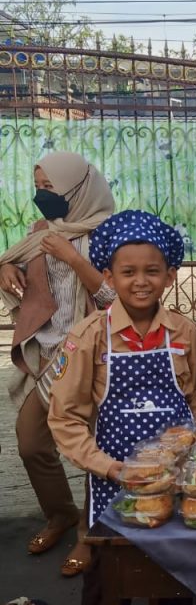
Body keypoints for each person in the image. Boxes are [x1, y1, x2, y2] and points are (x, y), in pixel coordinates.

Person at [48, 209, 196, 605]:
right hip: (114, 484)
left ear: (170, 275)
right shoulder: (89, 336)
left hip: (175, 482)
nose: (141, 282)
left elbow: (194, 400)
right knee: (106, 581)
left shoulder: (183, 331)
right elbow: (66, 418)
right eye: (128, 272)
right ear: (110, 276)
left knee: (175, 571)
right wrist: (108, 467)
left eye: (151, 271)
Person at [0, 151, 115, 576]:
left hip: (90, 361)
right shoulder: (40, 232)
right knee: (31, 443)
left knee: (90, 453)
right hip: (50, 356)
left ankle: (89, 532)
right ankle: (60, 513)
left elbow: (116, 300)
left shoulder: (110, 235)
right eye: (38, 187)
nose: (40, 196)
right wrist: (7, 268)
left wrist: (73, 259)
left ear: (78, 188)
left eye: (50, 187)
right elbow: (17, 262)